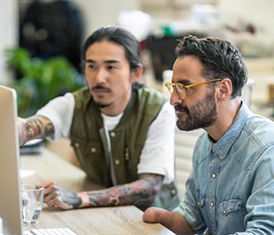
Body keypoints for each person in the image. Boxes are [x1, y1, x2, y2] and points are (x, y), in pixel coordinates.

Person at [122, 36, 274, 235]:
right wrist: (160, 218)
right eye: (173, 87)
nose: (173, 99)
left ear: (222, 89)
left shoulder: (271, 149)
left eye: (183, 87)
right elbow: (192, 218)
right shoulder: (205, 142)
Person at [19, 26, 179, 211]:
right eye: (91, 66)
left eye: (110, 67)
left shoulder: (158, 110)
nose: (99, 78)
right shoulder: (74, 105)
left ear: (136, 73)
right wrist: (15, 129)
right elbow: (28, 127)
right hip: (104, 214)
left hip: (154, 221)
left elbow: (149, 187)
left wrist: (78, 199)